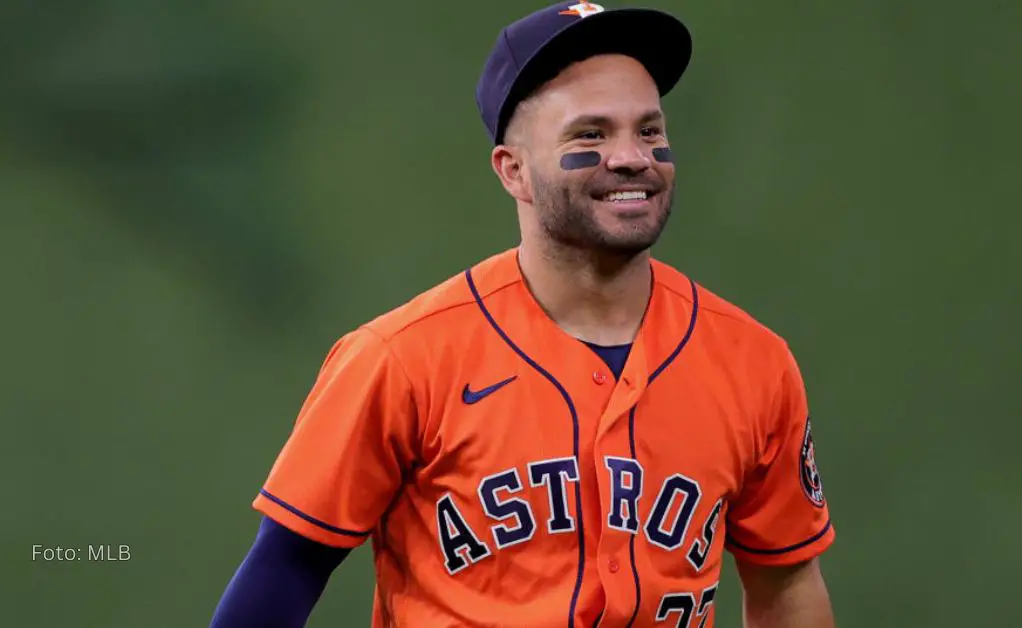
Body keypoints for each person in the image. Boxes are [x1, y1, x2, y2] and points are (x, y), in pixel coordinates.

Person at [209, 2, 836, 626]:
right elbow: (284, 572)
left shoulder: (753, 362)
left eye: (649, 131)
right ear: (514, 173)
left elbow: (787, 583)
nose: (633, 157)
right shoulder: (401, 359)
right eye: (590, 134)